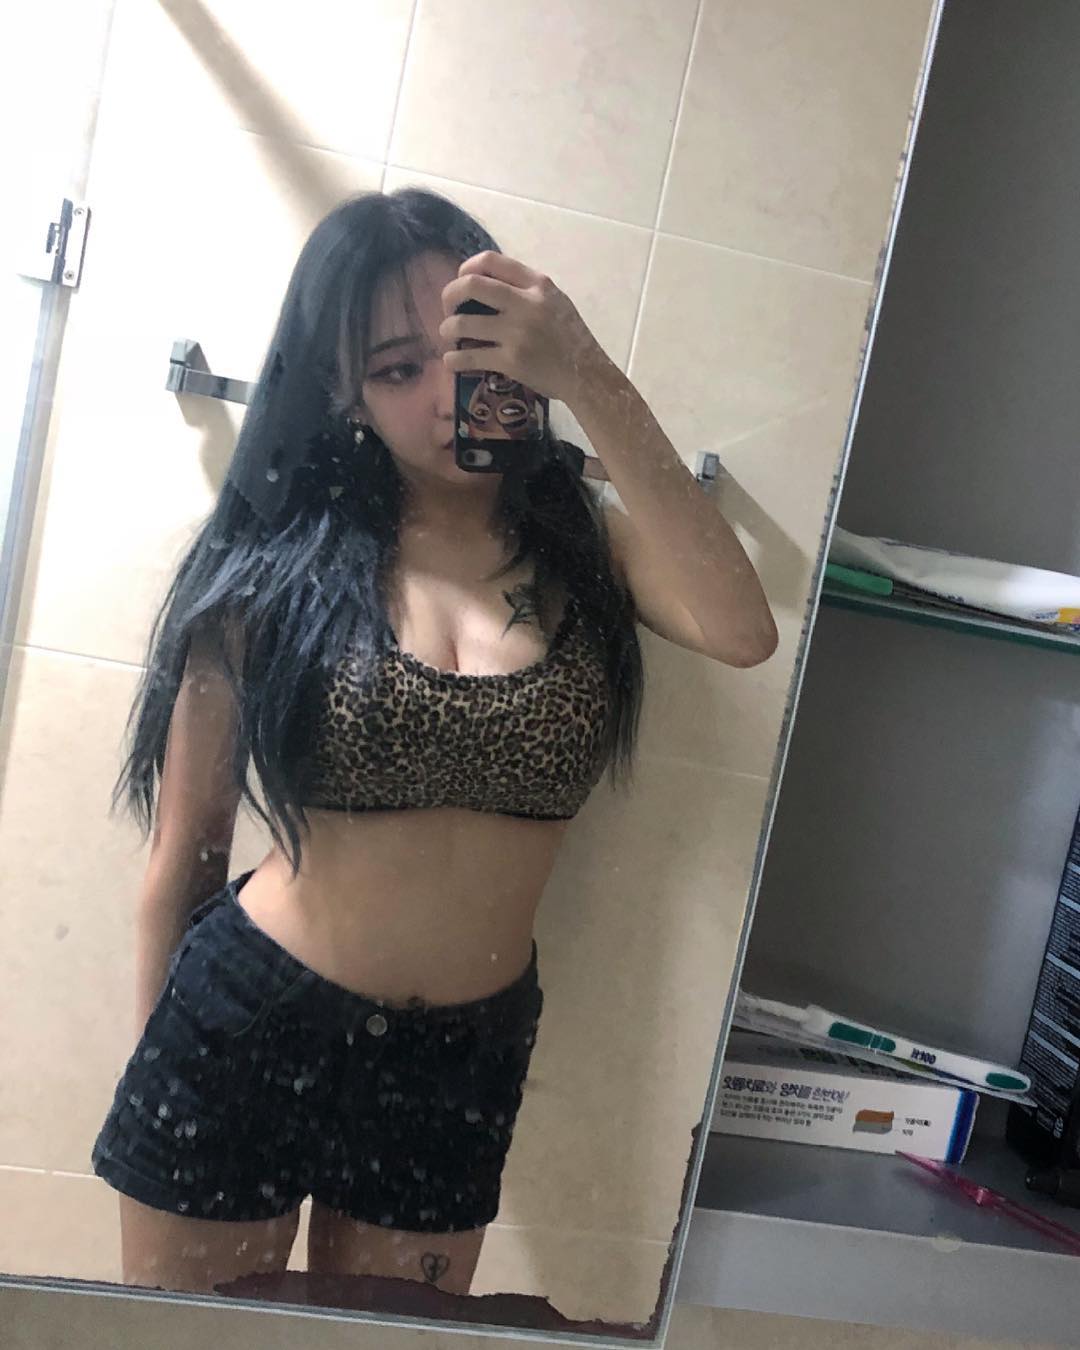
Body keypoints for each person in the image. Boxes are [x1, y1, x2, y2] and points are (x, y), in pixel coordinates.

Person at [91, 188, 777, 1296]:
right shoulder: (277, 565)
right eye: (398, 369)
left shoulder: (591, 548)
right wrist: (158, 1093)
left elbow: (744, 631)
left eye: (469, 349)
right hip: (247, 1025)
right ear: (349, 397)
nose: (445, 393)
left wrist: (588, 375)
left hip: (459, 1062)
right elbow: (186, 857)